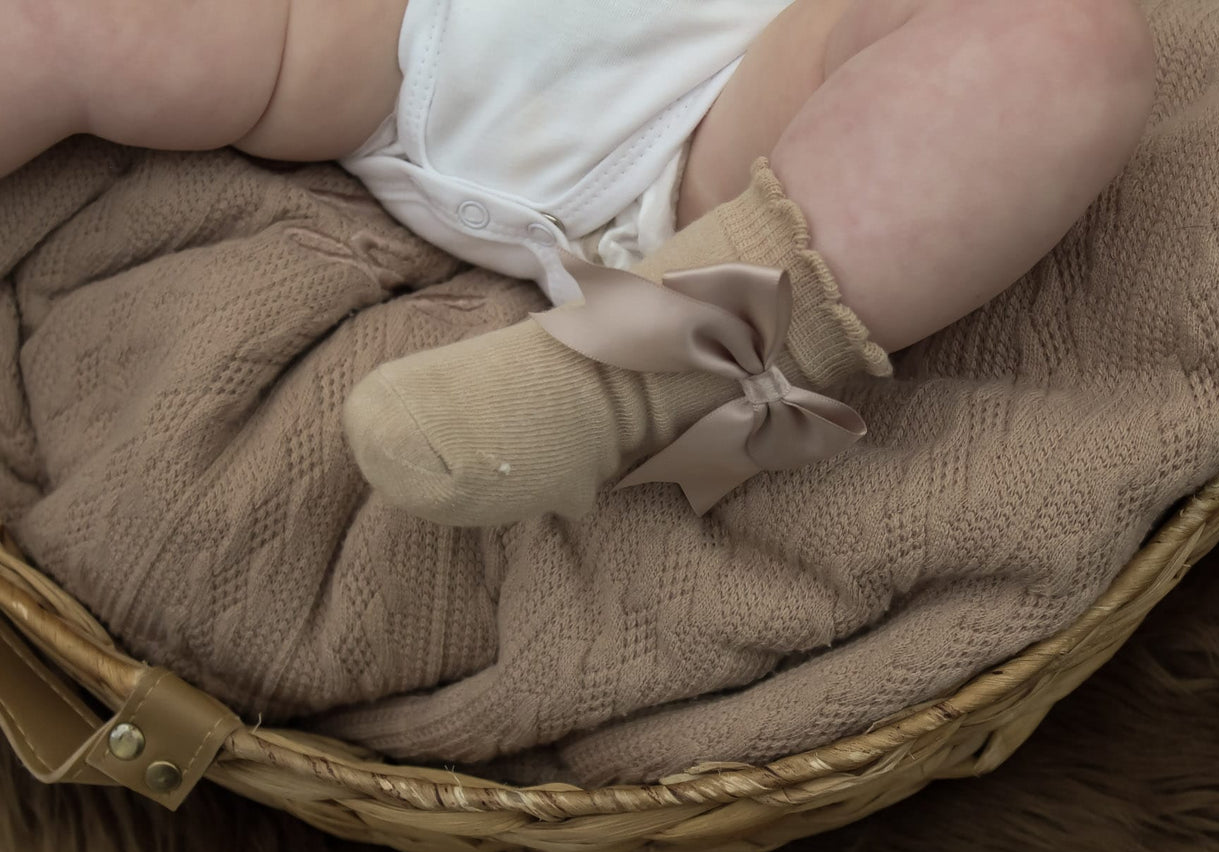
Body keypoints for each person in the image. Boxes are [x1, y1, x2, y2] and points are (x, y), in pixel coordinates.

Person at [3, 0, 1157, 526]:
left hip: (717, 123)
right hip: (375, 38)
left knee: (1051, 39)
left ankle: (636, 372)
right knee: (64, 21)